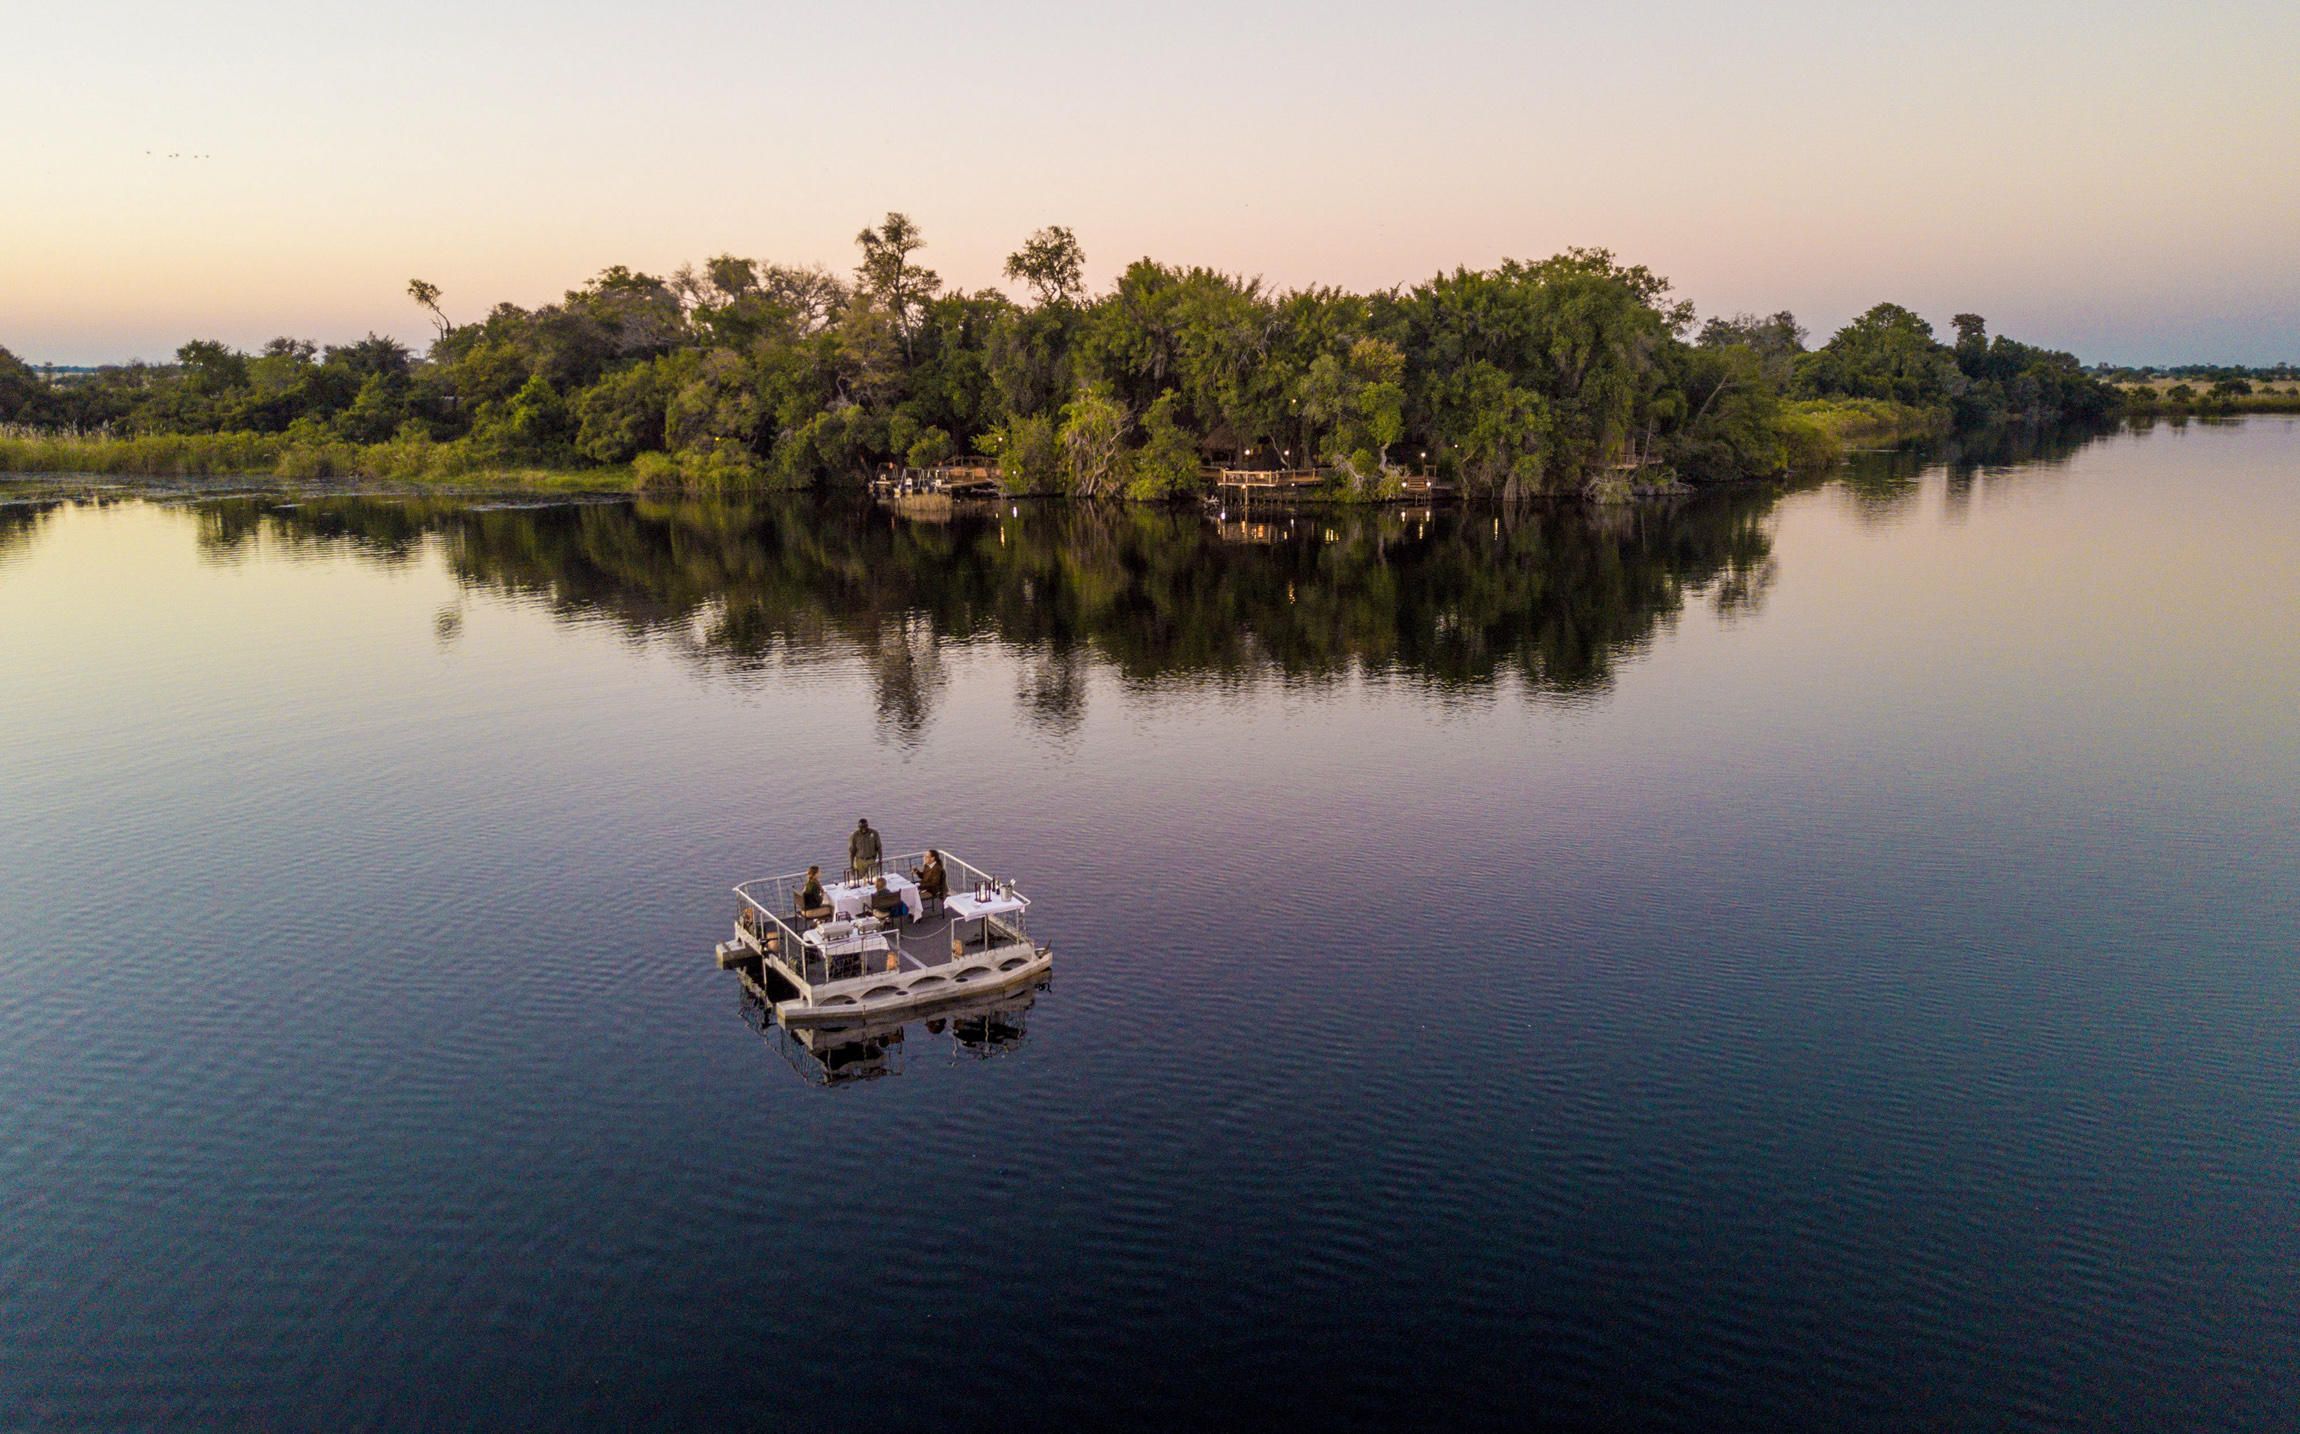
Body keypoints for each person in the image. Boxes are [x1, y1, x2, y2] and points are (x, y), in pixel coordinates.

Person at [913, 849, 948, 913]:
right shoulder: (927, 865)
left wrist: (920, 886)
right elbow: (924, 876)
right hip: (925, 886)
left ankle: (916, 912)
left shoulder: (937, 869)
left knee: (913, 895)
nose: (924, 858)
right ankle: (914, 911)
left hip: (933, 890)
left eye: (926, 857)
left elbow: (934, 883)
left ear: (932, 858)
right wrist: (917, 872)